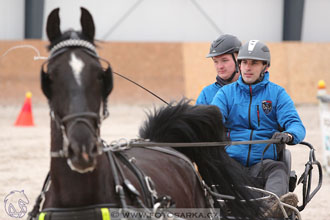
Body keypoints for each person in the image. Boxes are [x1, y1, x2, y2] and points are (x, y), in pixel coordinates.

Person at [211, 40, 306, 217]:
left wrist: (289, 135)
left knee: (279, 169)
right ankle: (225, 205)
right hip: (232, 162)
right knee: (217, 168)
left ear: (265, 66)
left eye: (254, 63)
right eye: (244, 62)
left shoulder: (277, 94)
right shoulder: (225, 94)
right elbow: (213, 117)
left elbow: (296, 124)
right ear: (239, 65)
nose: (248, 67)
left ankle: (271, 208)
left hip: (263, 164)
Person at [196, 34, 241, 105]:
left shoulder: (251, 91)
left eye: (224, 60)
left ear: (239, 59)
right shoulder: (206, 94)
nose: (220, 66)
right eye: (215, 61)